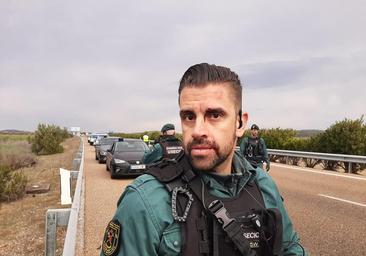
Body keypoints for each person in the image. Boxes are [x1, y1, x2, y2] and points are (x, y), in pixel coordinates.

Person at [100, 63, 306, 256]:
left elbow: (290, 248)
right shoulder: (144, 202)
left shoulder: (263, 184)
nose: (198, 131)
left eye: (215, 115)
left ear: (240, 124)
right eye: (189, 117)